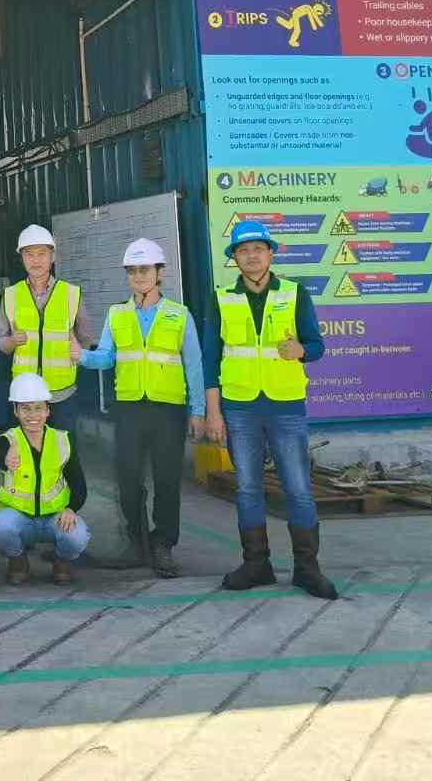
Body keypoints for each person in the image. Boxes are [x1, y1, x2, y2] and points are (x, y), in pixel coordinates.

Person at [202, 221, 337, 601]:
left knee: (297, 487)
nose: (252, 256)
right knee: (247, 488)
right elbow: (211, 357)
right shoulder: (221, 297)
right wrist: (213, 411)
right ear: (235, 258)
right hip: (240, 406)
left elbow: (317, 345)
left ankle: (307, 569)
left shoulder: (295, 294)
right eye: (243, 251)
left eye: (258, 249)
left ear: (271, 253)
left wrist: (303, 351)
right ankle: (256, 564)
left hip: (285, 405)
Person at [75, 237, 205, 578]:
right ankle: (136, 542)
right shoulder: (117, 314)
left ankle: (162, 545)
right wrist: (81, 356)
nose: (138, 276)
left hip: (168, 410)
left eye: (144, 269)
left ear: (159, 272)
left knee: (166, 481)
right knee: (128, 479)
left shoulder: (179, 314)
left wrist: (199, 410)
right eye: (132, 271)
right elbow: (106, 357)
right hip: (130, 408)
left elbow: (193, 364)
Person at [0, 373, 91, 585]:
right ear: (16, 411)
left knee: (77, 535)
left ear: (47, 410)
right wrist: (6, 458)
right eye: (25, 408)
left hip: (55, 519)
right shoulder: (7, 440)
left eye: (38, 408)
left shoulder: (62, 440)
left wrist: (71, 508)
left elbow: (79, 485)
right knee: (0, 526)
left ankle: (62, 562)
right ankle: (18, 562)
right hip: (20, 519)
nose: (32, 414)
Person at [0, 225, 87, 432]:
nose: (35, 260)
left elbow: (86, 338)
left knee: (65, 454)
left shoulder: (72, 294)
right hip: (25, 393)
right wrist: (12, 341)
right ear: (22, 258)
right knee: (25, 455)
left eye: (41, 253)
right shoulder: (10, 295)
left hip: (62, 393)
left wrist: (79, 353)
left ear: (52, 256)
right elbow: (2, 342)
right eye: (29, 254)